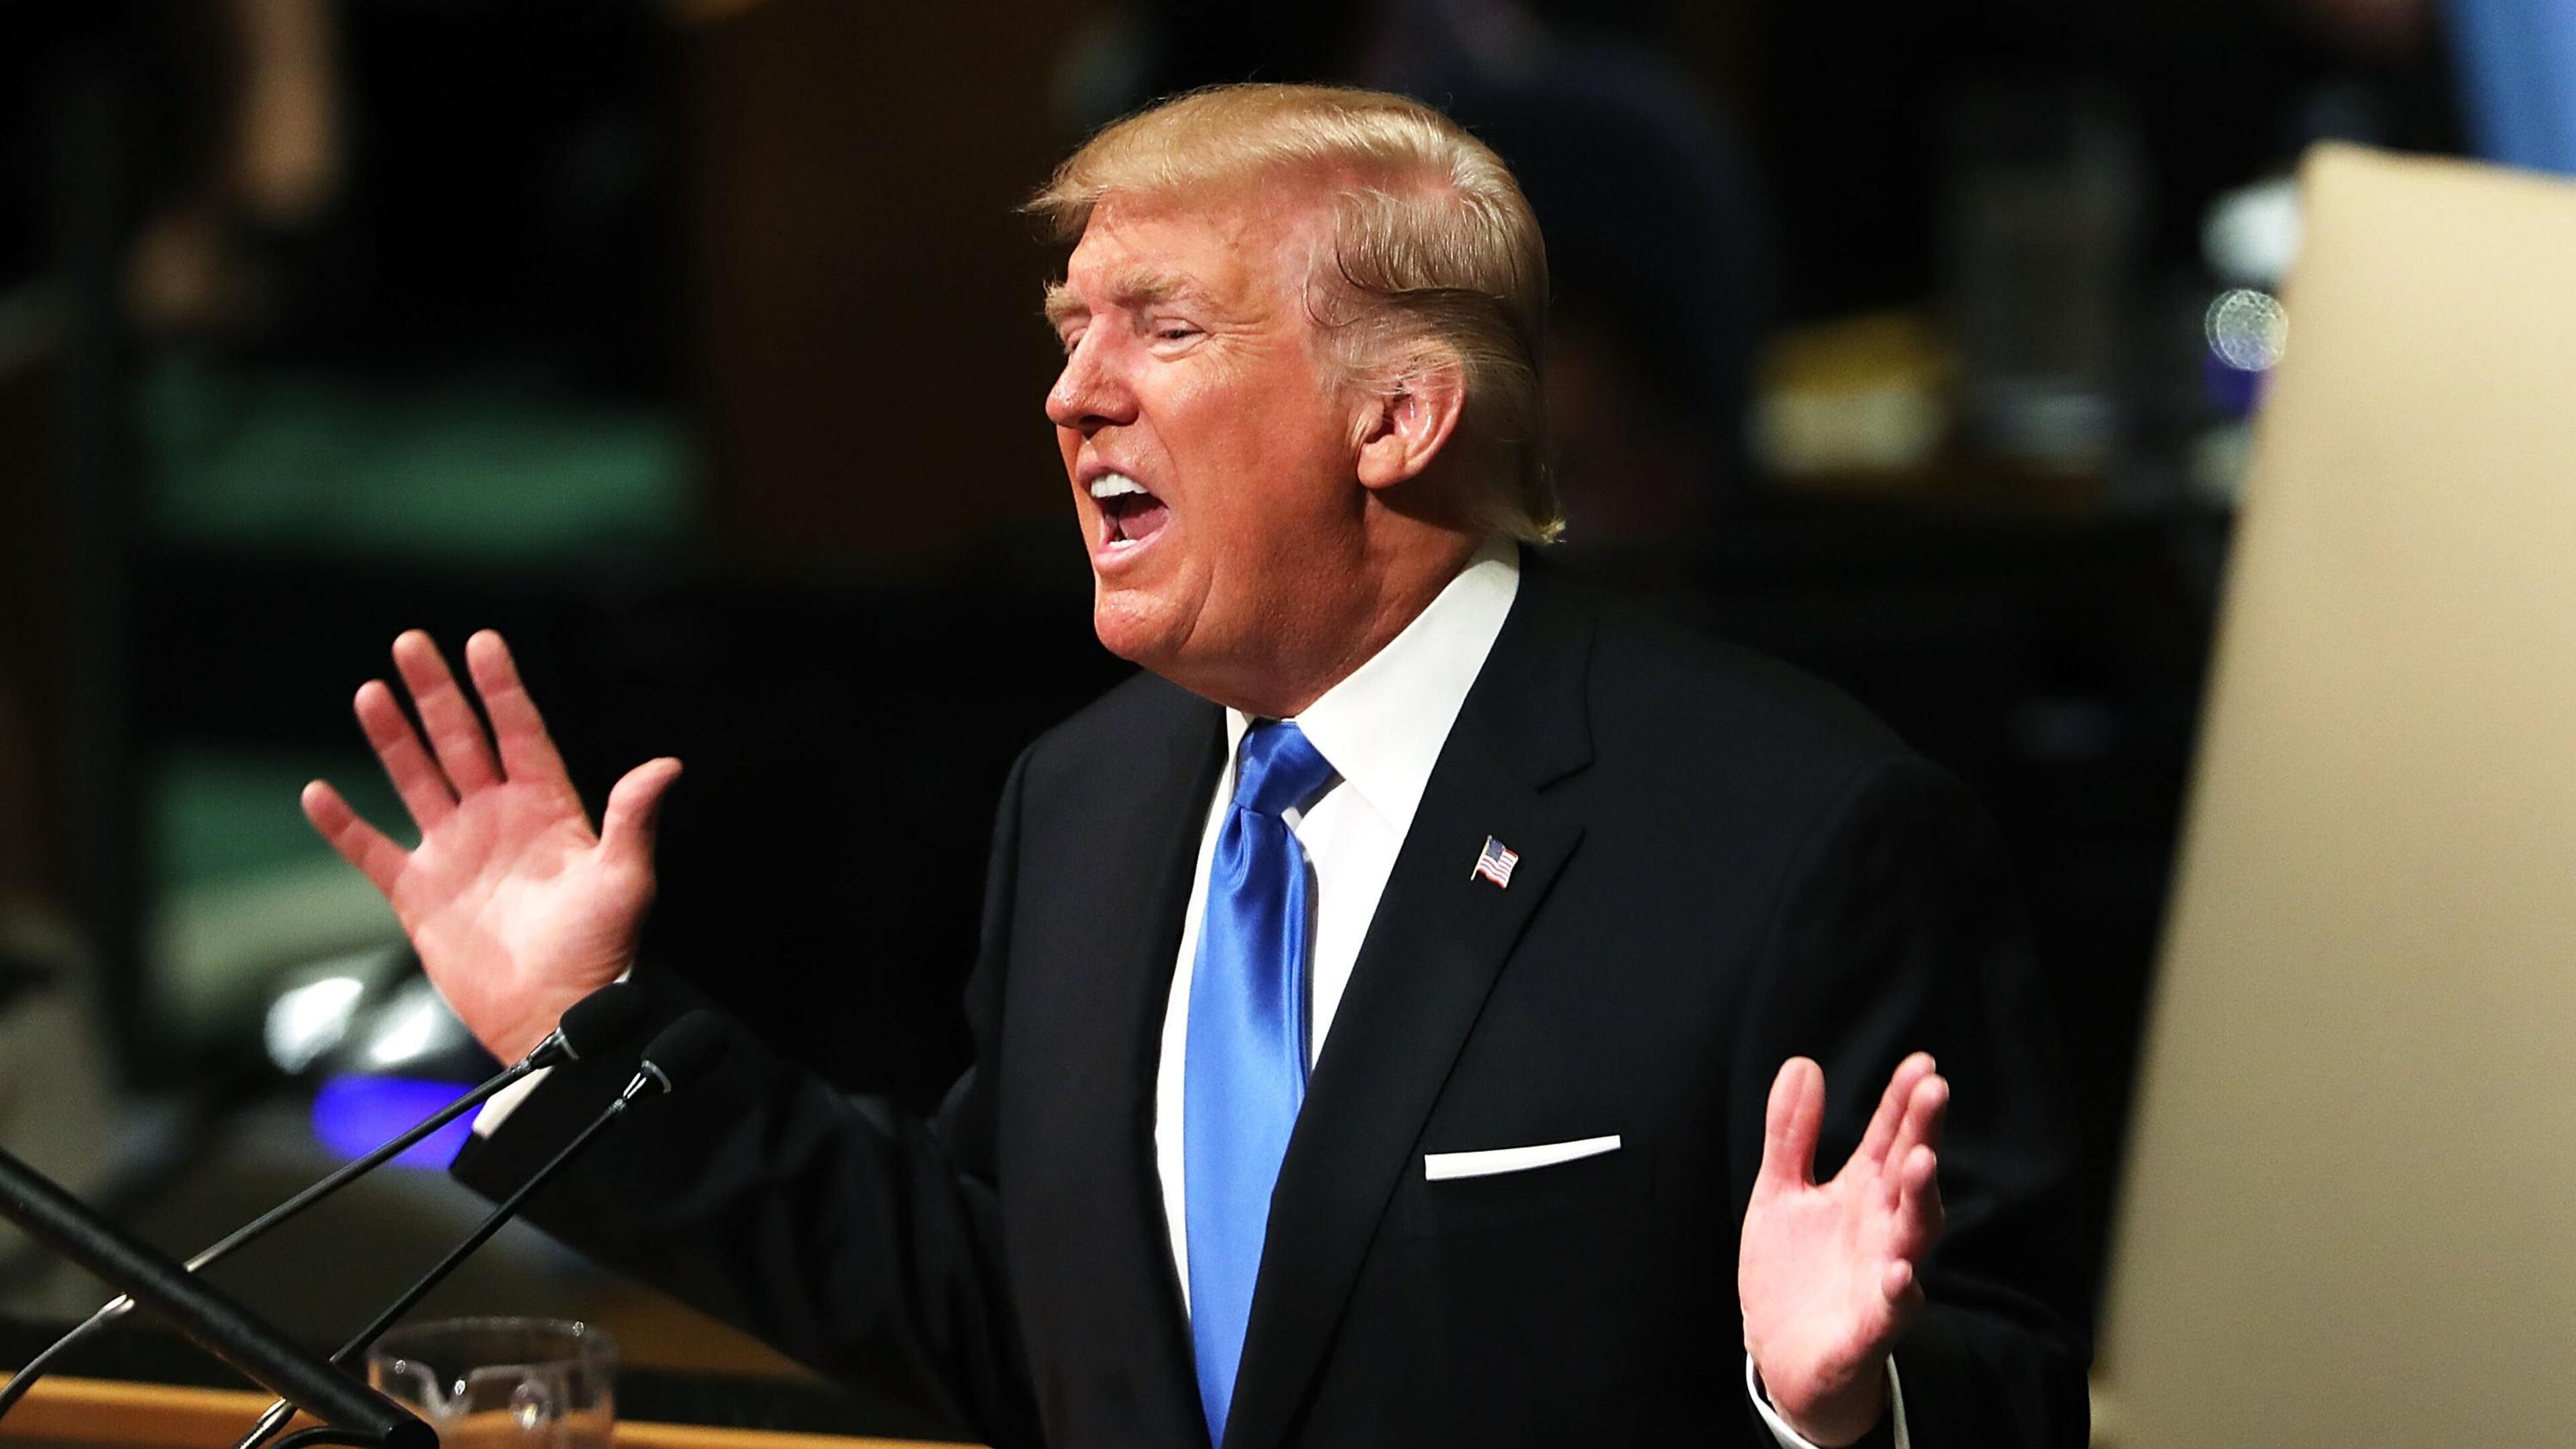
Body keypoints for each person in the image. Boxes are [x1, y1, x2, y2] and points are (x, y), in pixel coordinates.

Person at [303, 85, 2086, 1449]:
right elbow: (1016, 1313)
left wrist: (1830, 1411)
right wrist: (580, 1028)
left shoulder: (1791, 836)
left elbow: (2002, 1381)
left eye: (1159, 328)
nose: (1075, 395)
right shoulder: (1089, 804)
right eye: (1068, 334)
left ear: (1400, 415)